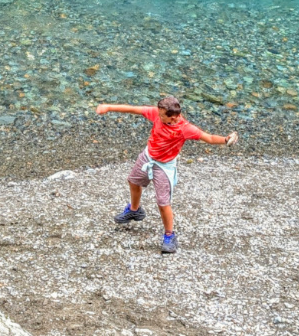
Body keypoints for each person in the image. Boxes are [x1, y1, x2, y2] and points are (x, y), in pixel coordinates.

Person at [95, 95, 238, 254]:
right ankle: (135, 210)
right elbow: (134, 109)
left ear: (174, 117)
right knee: (133, 182)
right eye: (159, 112)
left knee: (163, 203)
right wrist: (108, 106)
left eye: (162, 115)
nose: (158, 115)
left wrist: (225, 140)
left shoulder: (185, 128)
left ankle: (170, 235)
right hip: (148, 157)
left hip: (164, 166)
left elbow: (209, 138)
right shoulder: (157, 113)